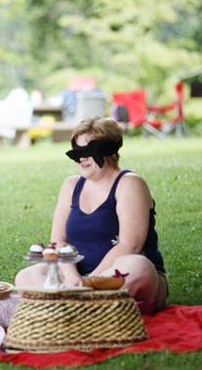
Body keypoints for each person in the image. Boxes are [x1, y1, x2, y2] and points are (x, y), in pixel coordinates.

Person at [15, 117, 168, 310]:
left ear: (109, 151)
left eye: (87, 151)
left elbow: (131, 245)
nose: (81, 158)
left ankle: (68, 305)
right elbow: (58, 243)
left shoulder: (129, 183)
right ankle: (85, 306)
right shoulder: (71, 185)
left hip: (115, 277)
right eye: (77, 151)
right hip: (76, 279)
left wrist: (90, 281)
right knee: (26, 277)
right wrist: (71, 276)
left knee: (138, 267)